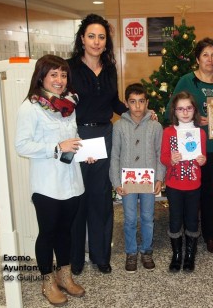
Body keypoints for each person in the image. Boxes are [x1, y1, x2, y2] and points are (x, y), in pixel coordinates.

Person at [15, 55, 85, 306]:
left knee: (66, 231)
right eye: (53, 74)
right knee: (48, 232)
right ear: (41, 76)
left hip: (71, 180)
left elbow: (73, 136)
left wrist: (82, 152)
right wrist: (56, 147)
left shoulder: (68, 105)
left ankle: (64, 276)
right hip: (46, 184)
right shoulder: (30, 107)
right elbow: (22, 145)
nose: (59, 80)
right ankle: (47, 282)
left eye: (63, 75)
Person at [67, 14, 128, 275]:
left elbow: (114, 103)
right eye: (91, 36)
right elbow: (64, 108)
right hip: (78, 136)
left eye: (101, 37)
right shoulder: (69, 68)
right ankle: (76, 259)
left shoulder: (110, 68)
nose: (96, 41)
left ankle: (102, 256)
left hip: (105, 135)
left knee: (102, 198)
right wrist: (79, 142)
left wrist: (135, 112)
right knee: (78, 197)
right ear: (82, 39)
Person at [171, 37, 213, 254]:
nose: (210, 59)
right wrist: (196, 119)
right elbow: (173, 109)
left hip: (212, 146)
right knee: (189, 190)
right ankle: (187, 234)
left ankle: (209, 236)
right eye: (205, 54)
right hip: (189, 147)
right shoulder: (186, 80)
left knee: (207, 191)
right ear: (197, 58)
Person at [109, 83, 166, 273]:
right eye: (133, 102)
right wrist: (116, 182)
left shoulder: (156, 126)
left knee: (148, 217)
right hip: (128, 181)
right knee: (130, 218)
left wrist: (159, 177)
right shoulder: (118, 127)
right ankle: (131, 252)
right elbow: (115, 155)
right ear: (126, 103)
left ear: (147, 102)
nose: (138, 106)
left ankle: (147, 250)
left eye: (142, 102)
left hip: (148, 180)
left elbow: (160, 154)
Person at [161, 91, 207, 273]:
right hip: (174, 185)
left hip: (193, 184)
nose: (185, 112)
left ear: (194, 109)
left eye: (188, 108)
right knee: (175, 219)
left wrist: (202, 160)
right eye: (181, 109)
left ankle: (189, 255)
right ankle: (177, 254)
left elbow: (201, 158)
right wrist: (171, 159)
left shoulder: (200, 133)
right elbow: (163, 157)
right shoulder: (169, 132)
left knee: (192, 220)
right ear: (175, 111)